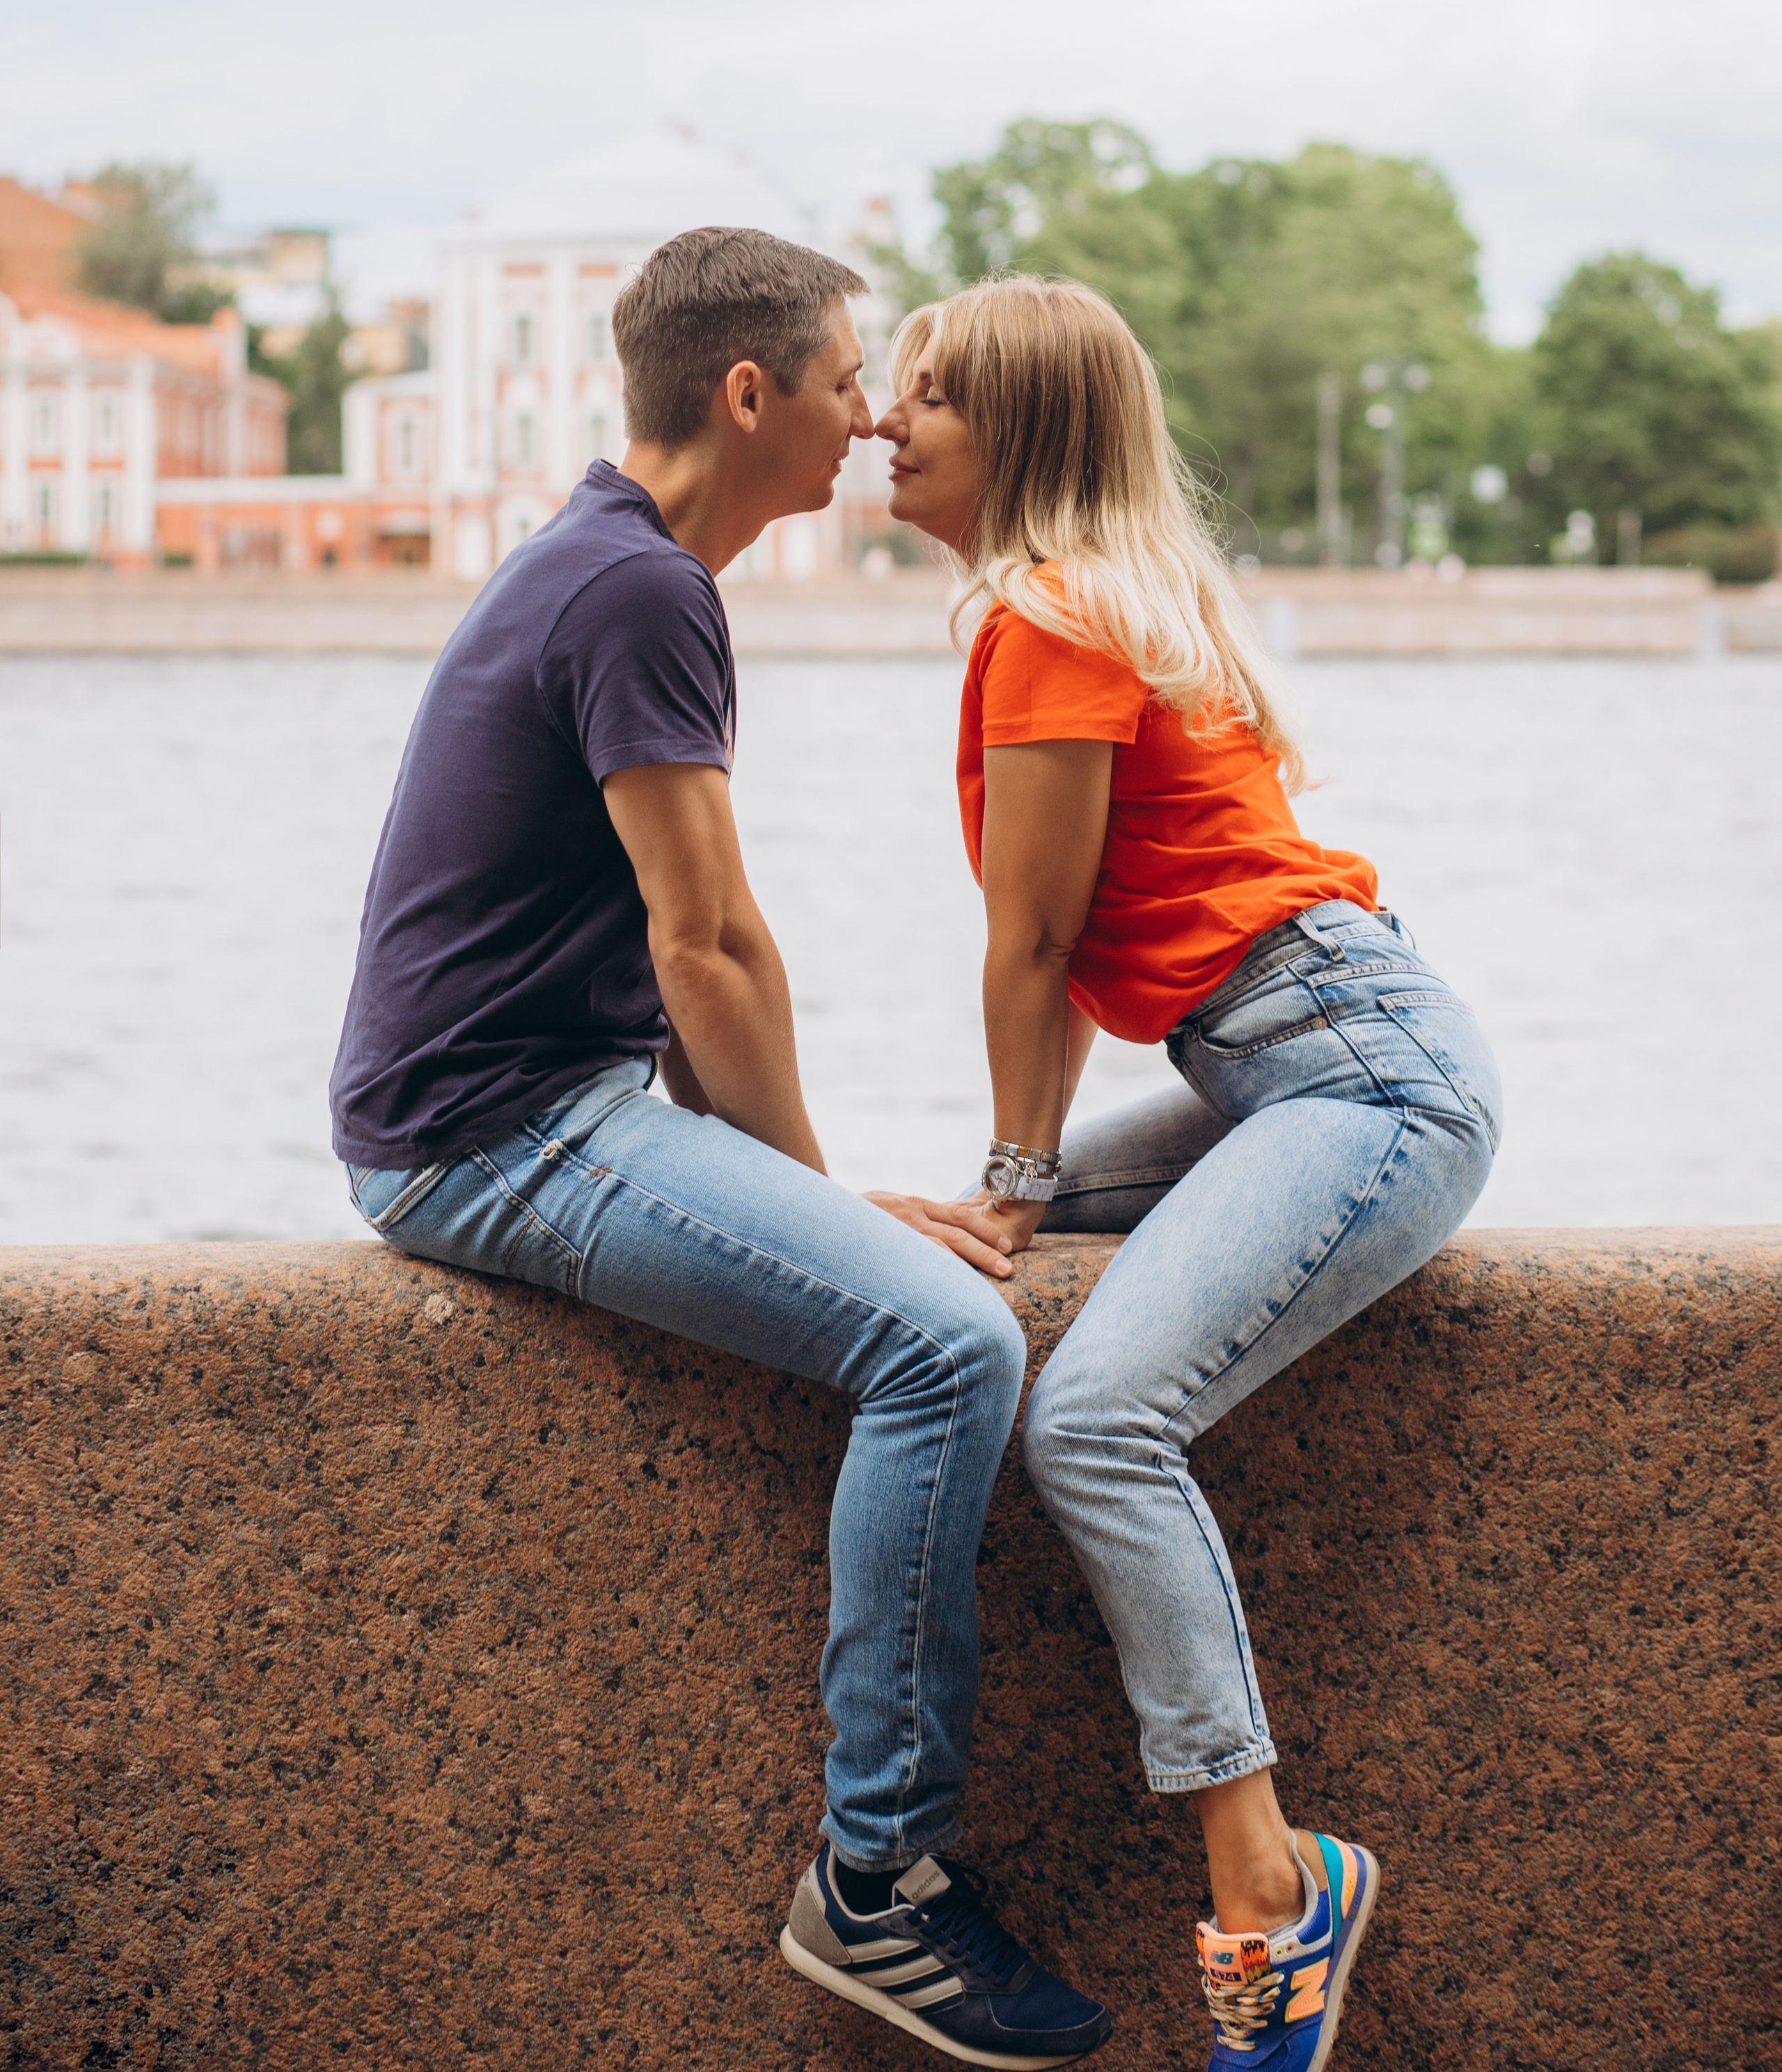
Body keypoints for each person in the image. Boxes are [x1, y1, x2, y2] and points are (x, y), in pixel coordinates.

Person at [329, 228, 1113, 2069]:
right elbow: (711, 942)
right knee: (944, 1341)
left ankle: (882, 1868)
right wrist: (811, 1202)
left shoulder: (619, 564)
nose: (867, 417)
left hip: (520, 1102)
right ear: (747, 393)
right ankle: (879, 1878)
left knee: (913, 1309)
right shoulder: (640, 593)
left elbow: (671, 959)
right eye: (847, 379)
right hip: (490, 1129)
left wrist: (797, 1201)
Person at [876, 275, 1501, 2072]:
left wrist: (1013, 1167)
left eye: (929, 397)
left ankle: (1270, 1878)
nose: (888, 427)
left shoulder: (1051, 618)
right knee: (989, 1221)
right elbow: (1069, 955)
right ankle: (1264, 1869)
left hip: (1355, 1076)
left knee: (1094, 1421)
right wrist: (1016, 1185)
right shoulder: (1083, 605)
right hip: (1281, 1062)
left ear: (1021, 433)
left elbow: (1037, 941)